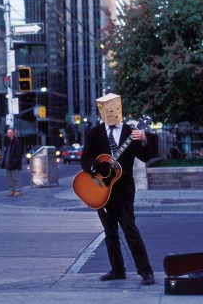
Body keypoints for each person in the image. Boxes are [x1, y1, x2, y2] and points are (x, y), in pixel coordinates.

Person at [80, 93, 154, 285]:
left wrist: (143, 139)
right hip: (102, 190)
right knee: (110, 233)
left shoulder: (131, 131)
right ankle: (117, 270)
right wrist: (97, 166)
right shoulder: (94, 133)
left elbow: (145, 157)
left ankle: (146, 271)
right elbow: (85, 159)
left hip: (123, 191)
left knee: (130, 229)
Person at [2, 128, 23, 197]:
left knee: (16, 178)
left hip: (15, 163)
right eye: (8, 132)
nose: (8, 134)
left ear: (13, 133)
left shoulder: (17, 142)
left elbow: (18, 154)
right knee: (10, 178)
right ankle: (12, 190)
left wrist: (14, 162)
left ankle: (18, 190)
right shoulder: (8, 142)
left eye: (10, 132)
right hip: (8, 163)